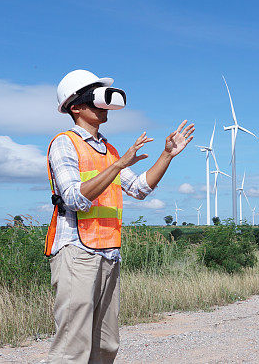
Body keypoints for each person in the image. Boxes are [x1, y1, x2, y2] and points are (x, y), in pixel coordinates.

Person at [44, 69, 194, 363]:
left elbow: (139, 189)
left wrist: (167, 155)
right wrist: (117, 165)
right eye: (95, 96)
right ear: (75, 106)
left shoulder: (109, 150)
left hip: (109, 253)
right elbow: (74, 198)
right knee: (73, 347)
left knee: (107, 343)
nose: (104, 104)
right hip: (77, 252)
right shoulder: (64, 142)